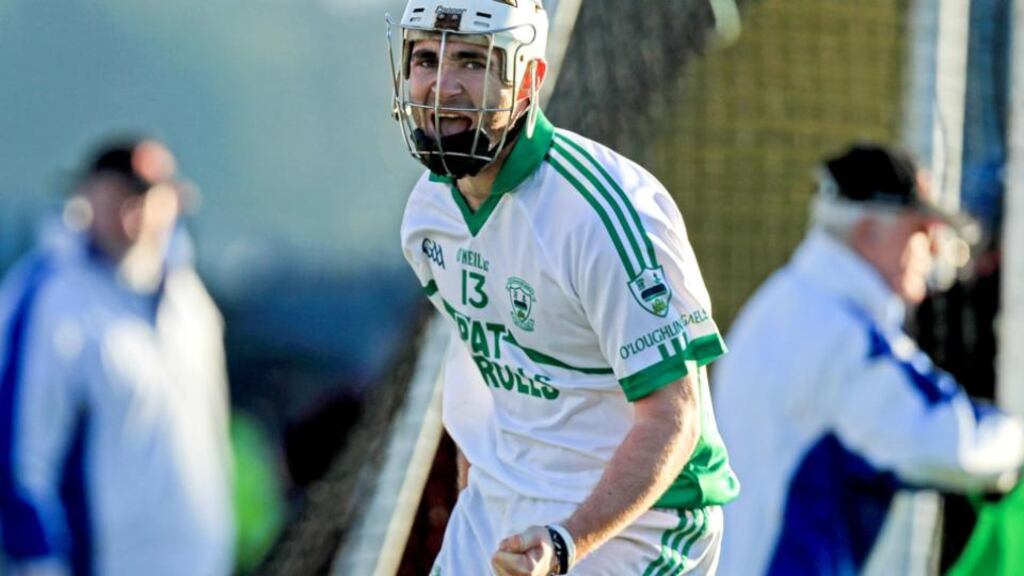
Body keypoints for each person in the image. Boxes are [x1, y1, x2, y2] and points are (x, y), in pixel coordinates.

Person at [390, 1, 739, 574]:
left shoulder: (602, 214)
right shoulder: (428, 215)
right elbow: (482, 365)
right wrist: (481, 489)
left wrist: (565, 540)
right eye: (426, 58)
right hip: (503, 503)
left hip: (633, 526)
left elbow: (673, 418)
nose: (442, 87)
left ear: (527, 79)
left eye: (474, 62)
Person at [712, 143, 1024, 575]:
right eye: (919, 231)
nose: (933, 251)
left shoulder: (787, 303)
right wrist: (1014, 439)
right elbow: (951, 445)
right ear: (866, 234)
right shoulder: (844, 337)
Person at [0, 138, 234, 576]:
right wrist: (38, 561)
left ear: (175, 203)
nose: (131, 212)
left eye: (145, 196)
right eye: (117, 194)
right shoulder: (50, 298)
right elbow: (19, 454)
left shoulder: (192, 303)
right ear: (85, 197)